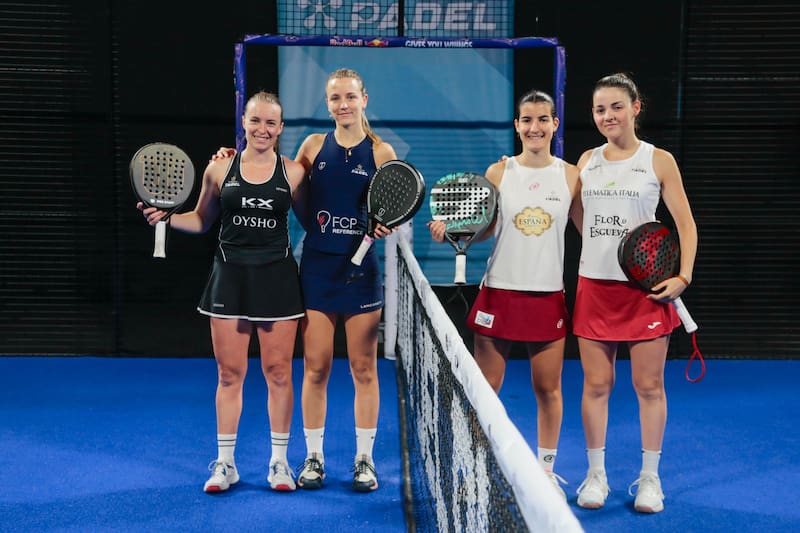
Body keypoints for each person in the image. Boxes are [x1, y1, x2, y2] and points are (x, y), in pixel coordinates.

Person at [214, 68, 396, 492]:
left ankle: (363, 459)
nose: (343, 105)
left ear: (364, 99)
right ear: (328, 103)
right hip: (317, 269)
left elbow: (391, 204)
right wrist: (229, 157)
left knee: (364, 367)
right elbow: (287, 186)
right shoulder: (314, 146)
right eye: (335, 98)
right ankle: (313, 457)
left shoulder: (382, 152)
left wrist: (383, 227)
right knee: (316, 368)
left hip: (363, 274)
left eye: (350, 96)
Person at [137, 91, 307, 493]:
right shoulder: (219, 169)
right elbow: (200, 221)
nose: (262, 129)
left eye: (270, 122)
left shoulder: (295, 173)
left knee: (278, 373)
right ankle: (225, 463)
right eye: (255, 121)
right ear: (244, 123)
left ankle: (280, 463)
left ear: (280, 128)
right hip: (228, 277)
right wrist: (166, 218)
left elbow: (315, 223)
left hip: (277, 281)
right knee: (230, 374)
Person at [427, 89, 580, 500]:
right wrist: (452, 232)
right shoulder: (500, 172)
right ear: (517, 125)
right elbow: (485, 227)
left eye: (542, 119)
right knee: (486, 391)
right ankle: (476, 465)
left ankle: (545, 472)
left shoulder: (570, 176)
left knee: (548, 389)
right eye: (526, 120)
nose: (534, 127)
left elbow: (588, 230)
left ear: (554, 124)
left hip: (547, 297)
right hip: (499, 293)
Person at [571, 73, 697, 513]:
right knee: (597, 384)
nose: (608, 116)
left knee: (648, 385)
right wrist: (602, 248)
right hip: (594, 289)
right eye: (600, 109)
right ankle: (596, 476)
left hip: (644, 294)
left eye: (616, 107)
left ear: (636, 108)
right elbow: (576, 212)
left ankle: (649, 480)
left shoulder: (658, 160)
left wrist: (682, 276)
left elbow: (686, 224)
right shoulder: (586, 161)